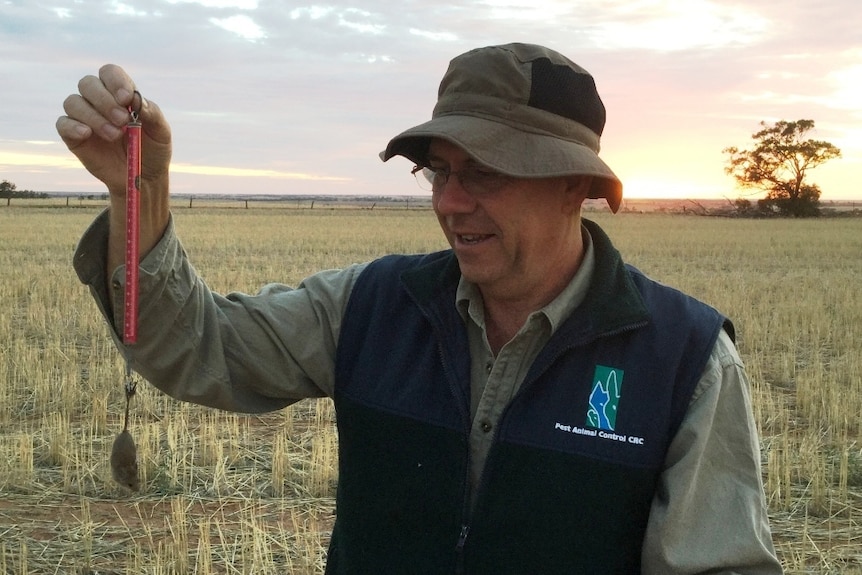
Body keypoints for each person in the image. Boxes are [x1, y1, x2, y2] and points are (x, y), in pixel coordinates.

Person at [60, 43, 783, 574]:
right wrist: (138, 192)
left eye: (487, 173)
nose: (449, 200)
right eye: (440, 170)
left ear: (575, 187)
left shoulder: (682, 359)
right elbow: (196, 347)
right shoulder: (372, 306)